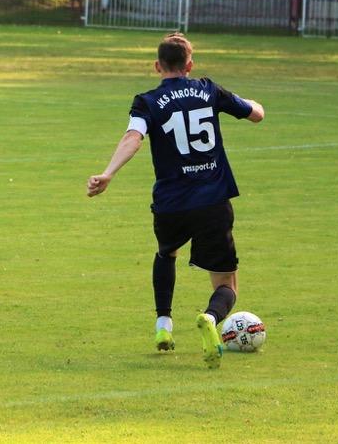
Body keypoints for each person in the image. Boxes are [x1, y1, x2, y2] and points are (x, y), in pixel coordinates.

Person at [87, 32, 264, 369]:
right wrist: (251, 103)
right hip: (212, 201)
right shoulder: (209, 90)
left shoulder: (147, 101)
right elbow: (256, 114)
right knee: (227, 283)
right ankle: (211, 317)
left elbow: (133, 137)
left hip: (171, 204)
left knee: (166, 253)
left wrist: (108, 173)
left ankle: (163, 325)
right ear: (190, 65)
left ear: (157, 66)